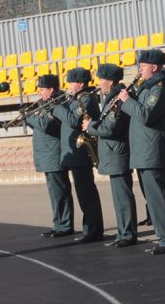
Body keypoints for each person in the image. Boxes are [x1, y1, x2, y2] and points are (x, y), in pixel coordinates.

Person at [118, 49, 165, 255]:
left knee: (158, 197)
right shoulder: (147, 88)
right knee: (153, 199)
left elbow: (146, 115)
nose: (140, 69)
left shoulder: (160, 90)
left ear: (154, 67)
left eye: (143, 66)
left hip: (152, 149)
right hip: (144, 150)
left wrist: (127, 101)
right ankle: (164, 237)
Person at [83, 64, 137, 248]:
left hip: (118, 152)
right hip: (114, 153)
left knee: (122, 196)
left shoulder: (118, 99)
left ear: (110, 81)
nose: (99, 83)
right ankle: (124, 232)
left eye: (101, 79)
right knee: (119, 196)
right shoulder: (112, 97)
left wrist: (90, 127)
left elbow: (111, 127)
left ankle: (127, 234)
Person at [51, 67, 104, 243]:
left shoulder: (86, 99)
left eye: (71, 83)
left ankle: (93, 231)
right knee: (83, 194)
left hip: (82, 153)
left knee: (86, 194)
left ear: (80, 84)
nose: (69, 86)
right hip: (75, 153)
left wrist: (57, 107)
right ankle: (90, 229)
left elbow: (74, 120)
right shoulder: (75, 98)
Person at [26, 74, 74, 239]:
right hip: (47, 154)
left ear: (51, 89)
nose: (40, 93)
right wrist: (30, 118)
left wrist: (29, 117)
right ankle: (59, 223)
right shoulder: (45, 104)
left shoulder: (58, 103)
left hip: (54, 154)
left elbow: (48, 125)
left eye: (42, 89)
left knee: (60, 192)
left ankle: (65, 225)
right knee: (55, 193)